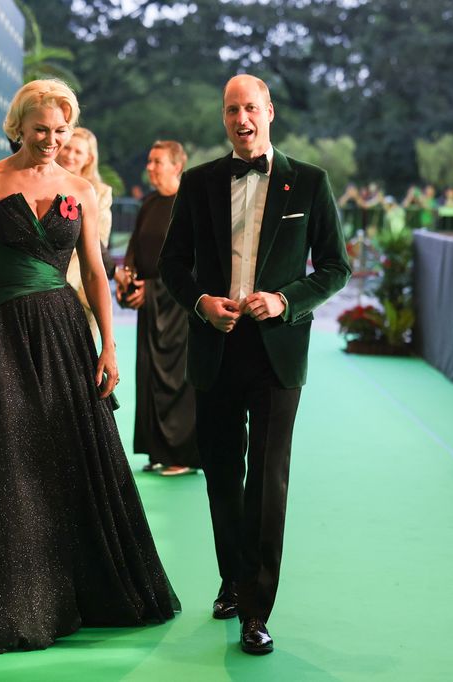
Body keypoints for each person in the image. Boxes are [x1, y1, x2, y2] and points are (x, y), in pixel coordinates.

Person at [0, 79, 178, 653]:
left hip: (61, 333)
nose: (51, 141)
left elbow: (98, 274)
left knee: (60, 455)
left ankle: (65, 592)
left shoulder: (78, 190)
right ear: (18, 127)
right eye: (40, 131)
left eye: (60, 131)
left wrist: (108, 345)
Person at [158, 74, 351, 655]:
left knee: (266, 480)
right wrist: (200, 303)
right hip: (215, 345)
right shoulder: (198, 183)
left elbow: (335, 267)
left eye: (250, 108)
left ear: (269, 111)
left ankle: (256, 609)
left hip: (277, 351)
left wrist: (287, 300)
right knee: (221, 476)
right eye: (230, 110)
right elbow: (173, 264)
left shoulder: (311, 183)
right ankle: (233, 580)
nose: (241, 119)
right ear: (224, 117)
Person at [115, 141, 200, 477]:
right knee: (150, 375)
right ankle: (158, 450)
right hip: (151, 305)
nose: (150, 167)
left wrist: (150, 289)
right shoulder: (149, 202)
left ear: (178, 166)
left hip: (178, 306)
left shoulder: (190, 205)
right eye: (149, 161)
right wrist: (130, 281)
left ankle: (182, 455)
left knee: (178, 378)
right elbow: (135, 248)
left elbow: (194, 263)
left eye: (157, 162)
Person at [58, 127, 115, 340]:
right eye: (67, 148)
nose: (70, 155)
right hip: (42, 286)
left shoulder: (100, 193)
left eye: (78, 152)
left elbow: (98, 244)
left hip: (81, 290)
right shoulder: (40, 182)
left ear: (89, 158)